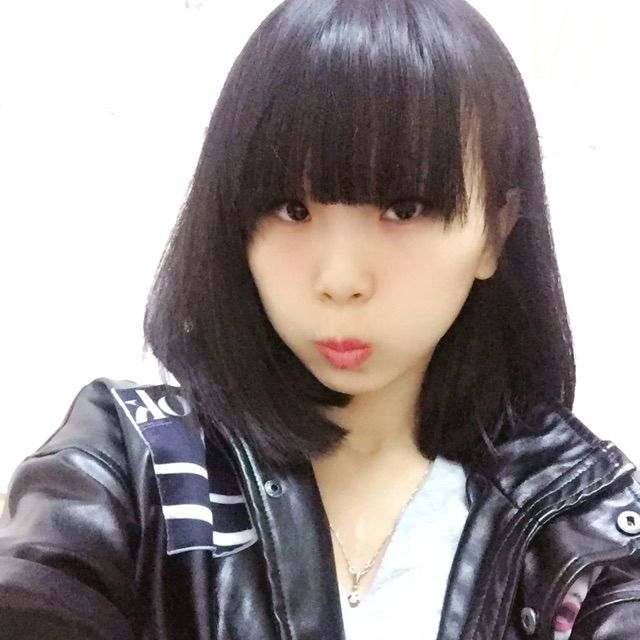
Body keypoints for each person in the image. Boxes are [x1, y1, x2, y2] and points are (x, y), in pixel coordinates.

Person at [1, 0, 639, 638]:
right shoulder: (134, 461)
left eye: (405, 208)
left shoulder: (586, 530)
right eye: (291, 209)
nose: (339, 280)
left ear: (495, 234)